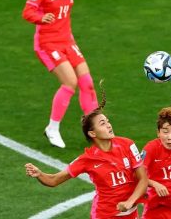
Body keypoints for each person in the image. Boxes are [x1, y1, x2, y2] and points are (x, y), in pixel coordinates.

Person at [25, 85, 148, 219]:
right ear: (92, 133)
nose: (108, 125)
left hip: (131, 214)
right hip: (105, 215)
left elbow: (143, 179)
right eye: (102, 123)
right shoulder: (87, 159)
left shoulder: (127, 144)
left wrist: (130, 202)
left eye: (108, 121)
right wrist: (39, 174)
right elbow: (54, 180)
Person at [22, 0, 98, 148]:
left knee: (87, 82)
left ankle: (93, 129)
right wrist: (41, 16)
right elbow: (27, 11)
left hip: (67, 40)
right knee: (70, 83)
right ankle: (52, 128)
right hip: (47, 43)